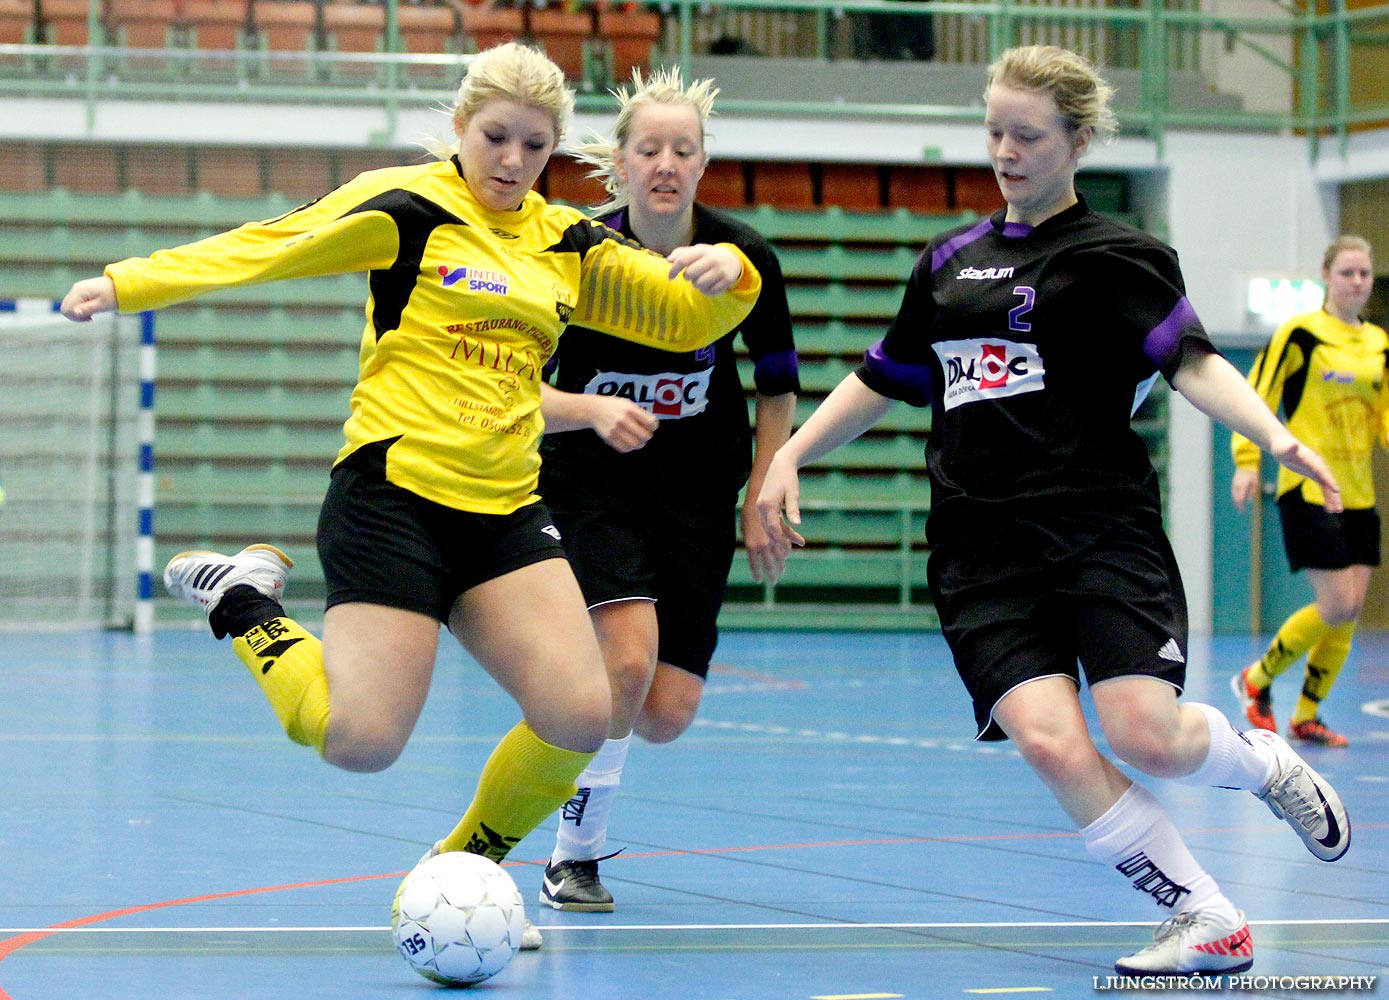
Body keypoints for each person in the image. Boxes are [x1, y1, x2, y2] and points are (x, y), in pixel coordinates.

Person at [58, 41, 761, 951]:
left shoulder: (564, 240)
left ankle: (459, 871)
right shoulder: (406, 205)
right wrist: (127, 283)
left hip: (503, 513)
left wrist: (726, 278)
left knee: (582, 713)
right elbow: (268, 246)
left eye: (534, 146)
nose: (511, 161)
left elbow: (680, 317)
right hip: (394, 498)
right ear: (461, 129)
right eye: (495, 137)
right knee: (359, 739)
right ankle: (241, 600)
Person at [755, 44, 1352, 976]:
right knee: (1046, 738)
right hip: (977, 550)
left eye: (1026, 135)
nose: (1005, 150)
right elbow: (883, 378)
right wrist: (789, 452)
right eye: (994, 130)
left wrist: (1275, 438)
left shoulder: (1119, 256)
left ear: (1076, 140)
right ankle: (1206, 915)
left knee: (1142, 731)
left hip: (1097, 531)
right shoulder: (948, 262)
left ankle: (1262, 764)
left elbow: (1190, 361)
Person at [533, 68, 799, 912]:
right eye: (649, 147)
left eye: (683, 149)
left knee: (665, 710)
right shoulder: (573, 252)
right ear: (619, 159)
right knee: (626, 659)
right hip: (590, 483)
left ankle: (565, 733)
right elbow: (512, 386)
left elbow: (778, 385)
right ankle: (572, 856)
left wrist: (764, 487)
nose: (666, 163)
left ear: (701, 163)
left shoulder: (743, 257)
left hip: (695, 490)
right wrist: (587, 411)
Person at [1230, 236, 1386, 748]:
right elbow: (1257, 396)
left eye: (1364, 273)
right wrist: (1248, 461)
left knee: (1351, 609)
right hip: (1308, 487)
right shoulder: (1300, 334)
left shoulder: (1379, 345)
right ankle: (1255, 680)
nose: (1357, 282)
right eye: (1347, 272)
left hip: (1359, 493)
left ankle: (1307, 714)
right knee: (1338, 601)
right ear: (1326, 275)